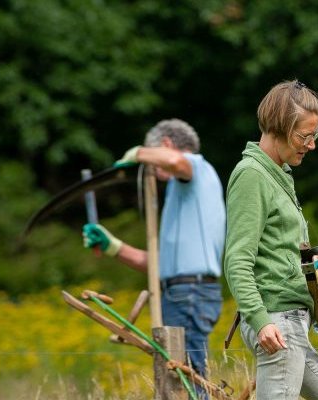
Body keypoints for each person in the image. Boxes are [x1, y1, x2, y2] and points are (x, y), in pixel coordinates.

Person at [223, 80, 318, 400]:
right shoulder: (252, 175)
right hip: (276, 325)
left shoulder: (278, 173)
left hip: (293, 325)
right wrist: (260, 321)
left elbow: (278, 251)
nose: (311, 145)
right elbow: (237, 260)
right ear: (277, 128)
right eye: (304, 136)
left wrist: (311, 270)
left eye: (315, 135)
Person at [81, 118, 225, 399]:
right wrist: (113, 246)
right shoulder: (182, 191)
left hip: (189, 293)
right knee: (177, 381)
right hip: (183, 291)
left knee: (187, 381)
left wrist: (138, 153)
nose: (150, 167)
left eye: (153, 154)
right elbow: (161, 264)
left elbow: (175, 161)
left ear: (167, 145)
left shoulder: (195, 167)